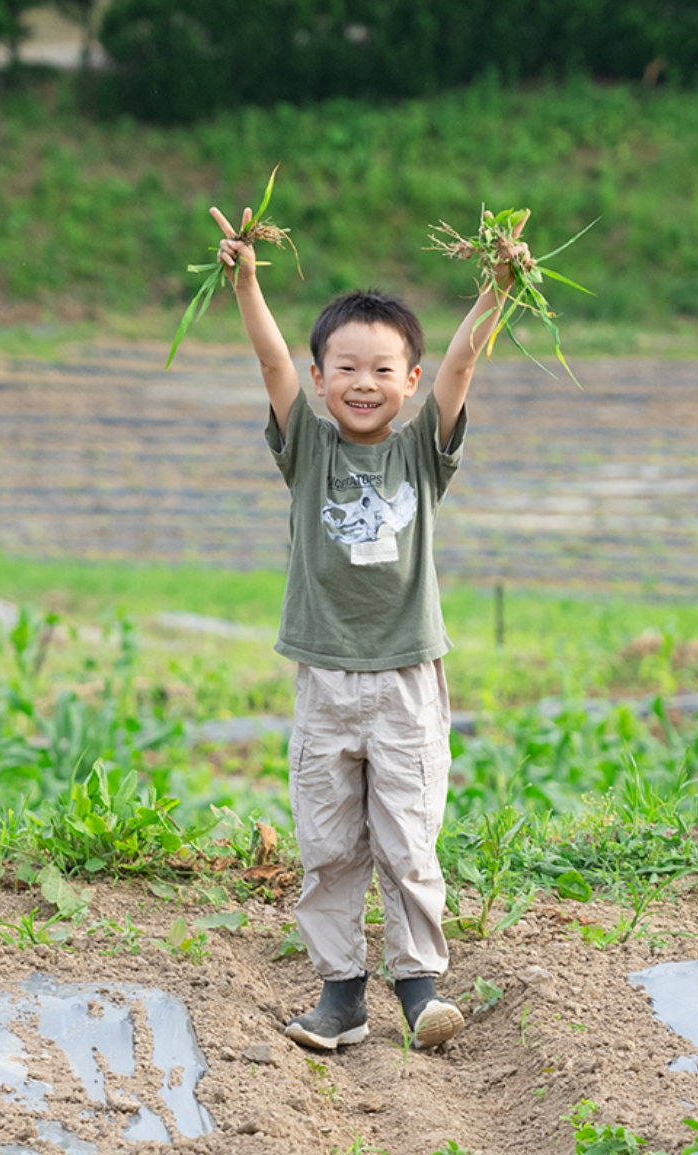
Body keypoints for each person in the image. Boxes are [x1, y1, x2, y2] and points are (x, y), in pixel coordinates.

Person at [210, 202, 528, 1050]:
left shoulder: (423, 449)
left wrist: (498, 286)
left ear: (409, 382)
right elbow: (270, 356)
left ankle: (421, 992)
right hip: (324, 678)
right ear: (320, 381)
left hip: (405, 679)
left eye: (382, 369)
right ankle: (341, 997)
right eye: (344, 367)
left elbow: (464, 363)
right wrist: (245, 281)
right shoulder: (307, 448)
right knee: (326, 842)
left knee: (408, 837)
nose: (362, 382)